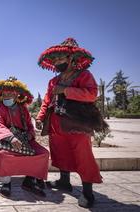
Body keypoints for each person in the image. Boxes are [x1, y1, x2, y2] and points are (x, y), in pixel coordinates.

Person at [36, 38, 103, 208]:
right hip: (56, 123)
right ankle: (64, 182)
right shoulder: (53, 81)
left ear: (72, 59)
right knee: (60, 152)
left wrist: (66, 90)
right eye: (55, 60)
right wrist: (40, 116)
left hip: (78, 124)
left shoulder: (84, 75)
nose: (58, 62)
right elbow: (47, 101)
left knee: (83, 155)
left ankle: (88, 192)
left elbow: (91, 95)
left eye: (61, 59)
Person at [0, 77, 49, 198]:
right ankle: (6, 184)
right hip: (6, 141)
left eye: (10, 92)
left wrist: (30, 134)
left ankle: (30, 180)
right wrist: (10, 138)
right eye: (4, 93)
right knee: (4, 155)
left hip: (25, 140)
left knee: (43, 153)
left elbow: (30, 127)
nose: (7, 95)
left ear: (17, 94)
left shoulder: (23, 109)